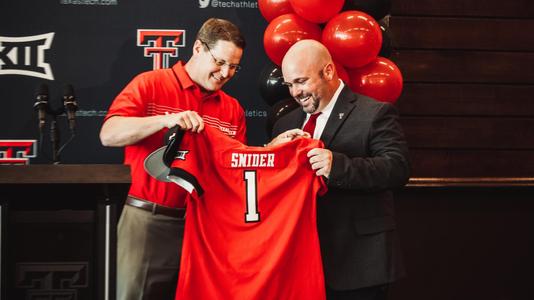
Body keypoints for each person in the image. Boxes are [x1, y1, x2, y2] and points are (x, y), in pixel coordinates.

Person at [99, 18, 247, 300]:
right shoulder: (150, 84)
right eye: (220, 62)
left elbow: (235, 170)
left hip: (204, 228)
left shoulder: (233, 109)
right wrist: (166, 120)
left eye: (234, 67)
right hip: (147, 222)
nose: (226, 72)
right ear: (198, 48)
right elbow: (109, 134)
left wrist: (272, 150)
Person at [270, 39, 410, 300]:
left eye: (301, 81)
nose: (295, 92)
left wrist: (339, 167)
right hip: (298, 263)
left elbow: (397, 168)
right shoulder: (284, 124)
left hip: (358, 264)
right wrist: (270, 151)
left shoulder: (374, 113)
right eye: (289, 85)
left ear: (329, 71)